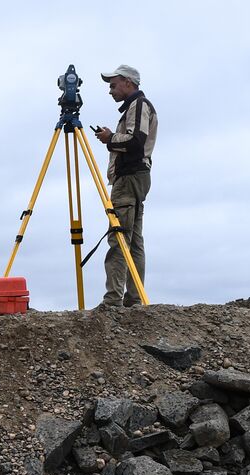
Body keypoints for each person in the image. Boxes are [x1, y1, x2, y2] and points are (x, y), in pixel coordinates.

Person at [91, 65, 157, 309]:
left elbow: (136, 141)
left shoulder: (138, 106)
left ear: (128, 82)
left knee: (120, 238)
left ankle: (114, 300)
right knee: (134, 239)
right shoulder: (137, 107)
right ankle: (133, 298)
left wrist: (110, 139)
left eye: (113, 84)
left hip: (129, 178)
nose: (111, 90)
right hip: (137, 177)